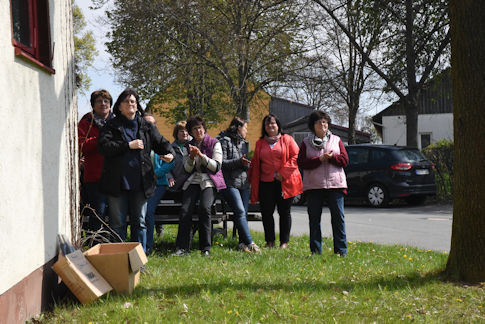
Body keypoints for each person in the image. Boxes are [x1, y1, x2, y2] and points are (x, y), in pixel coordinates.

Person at [98, 89, 174, 253]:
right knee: (117, 224)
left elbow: (162, 142)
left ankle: (138, 260)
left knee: (139, 222)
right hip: (117, 183)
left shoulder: (146, 126)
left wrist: (170, 154)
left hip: (141, 183)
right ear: (119, 106)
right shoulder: (111, 125)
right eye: (127, 101)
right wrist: (127, 145)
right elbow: (104, 148)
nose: (131, 104)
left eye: (133, 101)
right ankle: (118, 259)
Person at [297, 110, 349, 256]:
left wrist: (331, 158)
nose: (322, 124)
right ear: (312, 125)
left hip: (335, 185)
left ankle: (341, 251)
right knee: (314, 220)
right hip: (314, 186)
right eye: (319, 122)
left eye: (325, 122)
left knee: (338, 219)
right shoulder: (306, 143)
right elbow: (301, 163)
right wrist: (318, 160)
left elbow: (345, 161)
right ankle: (315, 252)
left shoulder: (336, 140)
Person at [173, 116, 226, 256]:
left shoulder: (215, 143)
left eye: (200, 127)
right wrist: (191, 157)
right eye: (194, 129)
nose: (198, 131)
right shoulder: (187, 146)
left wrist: (201, 156)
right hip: (193, 180)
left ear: (204, 128)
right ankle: (182, 248)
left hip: (209, 180)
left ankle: (205, 248)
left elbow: (216, 167)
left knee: (205, 208)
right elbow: (187, 169)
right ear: (191, 131)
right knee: (185, 210)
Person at [249, 114, 302, 249]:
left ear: (278, 125)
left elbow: (297, 156)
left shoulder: (287, 139)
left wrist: (283, 173)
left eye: (273, 123)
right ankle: (270, 241)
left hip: (284, 182)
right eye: (267, 124)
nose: (270, 126)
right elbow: (256, 163)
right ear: (264, 127)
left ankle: (284, 242)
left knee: (284, 212)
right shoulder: (260, 143)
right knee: (267, 213)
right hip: (265, 183)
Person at [218, 117, 261, 253]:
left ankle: (242, 243)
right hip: (229, 183)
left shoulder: (244, 143)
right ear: (238, 128)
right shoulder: (224, 141)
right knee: (240, 211)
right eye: (245, 128)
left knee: (243, 213)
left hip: (243, 183)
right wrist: (239, 162)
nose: (246, 131)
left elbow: (243, 162)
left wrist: (248, 165)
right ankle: (250, 242)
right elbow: (222, 163)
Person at [78, 90, 113, 243]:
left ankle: (114, 247)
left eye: (106, 101)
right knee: (97, 214)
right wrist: (100, 138)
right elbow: (81, 146)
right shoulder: (86, 122)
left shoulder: (117, 121)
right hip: (94, 176)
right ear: (93, 105)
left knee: (115, 215)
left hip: (115, 176)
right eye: (99, 101)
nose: (103, 104)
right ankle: (95, 247)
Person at [143, 114, 174, 255]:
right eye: (146, 123)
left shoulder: (159, 142)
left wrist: (156, 173)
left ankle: (148, 246)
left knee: (148, 211)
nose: (149, 126)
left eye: (152, 123)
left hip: (158, 184)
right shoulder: (139, 140)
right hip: (142, 184)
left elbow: (171, 161)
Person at [167, 121, 191, 194]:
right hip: (176, 183)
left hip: (192, 182)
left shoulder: (194, 146)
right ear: (176, 133)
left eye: (186, 130)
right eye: (181, 131)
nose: (184, 133)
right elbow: (166, 166)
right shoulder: (170, 148)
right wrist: (169, 177)